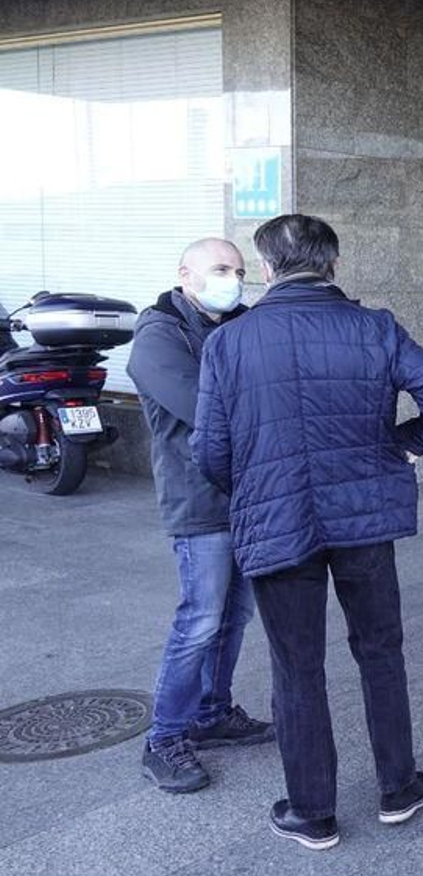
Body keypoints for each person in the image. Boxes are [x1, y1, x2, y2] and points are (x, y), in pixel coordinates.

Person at [192, 214, 423, 851]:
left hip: (278, 521)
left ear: (265, 269)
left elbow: (209, 451)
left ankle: (312, 813)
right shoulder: (375, 328)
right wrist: (402, 448)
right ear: (333, 265)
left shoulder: (229, 343)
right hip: (364, 519)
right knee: (380, 650)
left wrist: (256, 487)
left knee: (296, 669)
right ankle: (398, 788)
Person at [126, 239, 274, 794]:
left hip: (246, 494)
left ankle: (212, 713)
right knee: (200, 619)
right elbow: (204, 408)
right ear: (185, 274)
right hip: (199, 501)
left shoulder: (240, 321)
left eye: (237, 270)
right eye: (219, 269)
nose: (231, 279)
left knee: (235, 616)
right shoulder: (159, 335)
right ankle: (163, 737)